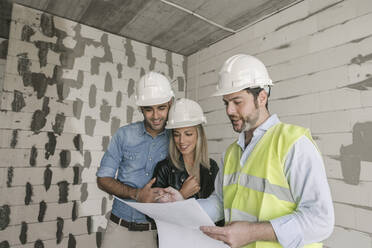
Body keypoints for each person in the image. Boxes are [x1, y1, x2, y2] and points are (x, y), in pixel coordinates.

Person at [159, 54, 334, 248]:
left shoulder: (294, 143)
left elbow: (321, 221)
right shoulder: (232, 153)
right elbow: (219, 203)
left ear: (262, 97)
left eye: (237, 101)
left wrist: (251, 232)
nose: (229, 111)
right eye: (226, 103)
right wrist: (183, 206)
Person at [96, 71, 174, 248]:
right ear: (140, 108)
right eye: (149, 109)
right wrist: (137, 194)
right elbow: (103, 179)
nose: (155, 116)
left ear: (170, 103)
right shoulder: (124, 135)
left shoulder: (176, 139)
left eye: (161, 107)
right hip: (118, 228)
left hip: (155, 233)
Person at [152, 98, 220, 204]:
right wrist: (182, 194)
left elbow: (218, 205)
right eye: (176, 134)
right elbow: (153, 213)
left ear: (199, 135)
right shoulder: (164, 169)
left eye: (188, 134)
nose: (181, 141)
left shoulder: (212, 167)